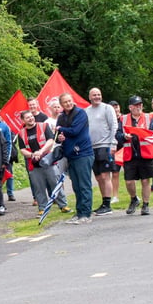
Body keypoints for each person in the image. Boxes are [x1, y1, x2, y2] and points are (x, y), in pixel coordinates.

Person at [17, 110, 70, 217]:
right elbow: (22, 150)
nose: (31, 118)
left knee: (55, 183)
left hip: (49, 161)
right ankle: (42, 208)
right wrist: (32, 155)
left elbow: (50, 141)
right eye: (27, 117)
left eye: (31, 116)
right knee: (38, 187)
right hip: (34, 165)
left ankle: (63, 205)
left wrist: (40, 152)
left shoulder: (44, 126)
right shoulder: (21, 133)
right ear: (23, 120)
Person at [56, 92, 94, 224]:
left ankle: (86, 213)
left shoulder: (80, 113)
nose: (68, 103)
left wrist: (61, 129)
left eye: (69, 100)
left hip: (83, 153)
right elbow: (58, 134)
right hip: (70, 155)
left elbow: (75, 130)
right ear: (61, 105)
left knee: (84, 185)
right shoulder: (61, 117)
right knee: (76, 186)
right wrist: (60, 136)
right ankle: (79, 212)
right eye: (65, 102)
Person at [117, 96, 153, 216]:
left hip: (145, 154)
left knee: (146, 180)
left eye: (140, 104)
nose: (138, 107)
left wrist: (148, 135)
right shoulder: (123, 119)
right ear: (130, 107)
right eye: (136, 105)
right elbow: (117, 134)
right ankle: (134, 199)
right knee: (129, 181)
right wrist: (124, 137)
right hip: (130, 154)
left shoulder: (148, 117)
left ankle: (146, 205)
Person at [86, 88, 118, 216]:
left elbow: (114, 126)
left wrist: (113, 143)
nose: (97, 97)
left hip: (105, 145)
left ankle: (108, 203)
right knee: (98, 177)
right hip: (92, 147)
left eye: (99, 94)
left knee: (106, 176)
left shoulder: (107, 108)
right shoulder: (86, 111)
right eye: (94, 95)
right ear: (89, 97)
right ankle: (104, 202)